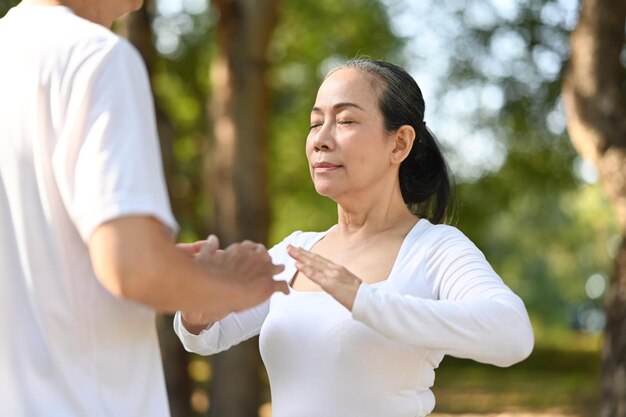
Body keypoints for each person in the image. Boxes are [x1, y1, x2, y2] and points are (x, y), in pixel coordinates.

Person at [174, 58, 535, 417]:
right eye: (316, 122)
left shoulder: (434, 249)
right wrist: (196, 309)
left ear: (399, 144)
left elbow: (513, 335)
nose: (321, 139)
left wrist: (365, 300)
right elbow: (206, 336)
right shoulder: (297, 251)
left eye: (345, 120)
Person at [0, 1, 288, 416]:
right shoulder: (96, 56)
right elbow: (132, 267)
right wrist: (235, 285)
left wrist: (175, 267)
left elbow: (36, 247)